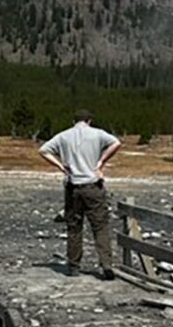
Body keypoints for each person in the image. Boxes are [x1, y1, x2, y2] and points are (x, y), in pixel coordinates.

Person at [39, 110, 122, 280]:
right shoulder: (98, 134)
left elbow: (43, 150)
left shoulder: (63, 136)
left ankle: (74, 266)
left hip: (72, 186)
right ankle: (106, 265)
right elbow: (116, 143)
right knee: (100, 227)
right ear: (89, 120)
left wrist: (61, 166)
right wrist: (101, 162)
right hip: (93, 185)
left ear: (73, 121)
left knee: (74, 227)